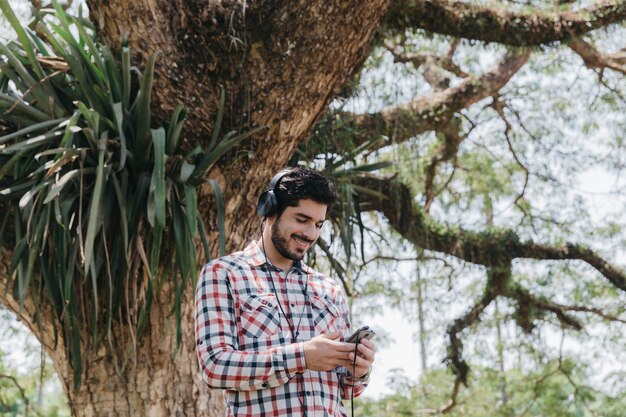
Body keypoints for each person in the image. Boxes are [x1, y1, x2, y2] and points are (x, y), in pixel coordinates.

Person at [195, 167, 376, 417]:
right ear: (270, 211)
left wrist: (359, 371)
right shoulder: (223, 274)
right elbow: (215, 366)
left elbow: (346, 390)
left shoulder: (330, 290)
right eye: (301, 220)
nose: (311, 234)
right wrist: (301, 357)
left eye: (318, 224)